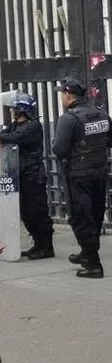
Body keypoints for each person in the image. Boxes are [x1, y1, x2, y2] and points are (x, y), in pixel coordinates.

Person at [52, 78, 112, 278]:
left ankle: (92, 264)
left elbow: (59, 150)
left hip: (78, 174)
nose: (62, 97)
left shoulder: (69, 118)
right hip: (99, 172)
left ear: (68, 94)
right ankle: (87, 252)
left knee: (80, 216)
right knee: (95, 214)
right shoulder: (102, 114)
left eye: (62, 94)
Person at [0, 90, 53, 260]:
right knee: (26, 213)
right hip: (20, 175)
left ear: (20, 110)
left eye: (13, 109)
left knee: (37, 211)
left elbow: (13, 138)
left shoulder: (33, 127)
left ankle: (46, 247)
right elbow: (6, 134)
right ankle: (37, 244)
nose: (11, 112)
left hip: (33, 175)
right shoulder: (15, 125)